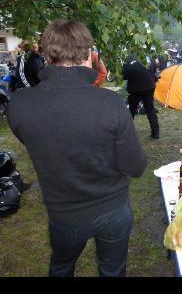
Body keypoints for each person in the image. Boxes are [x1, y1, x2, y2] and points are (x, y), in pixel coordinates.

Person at [7, 19, 147, 277]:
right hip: (112, 210)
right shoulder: (110, 103)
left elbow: (37, 139)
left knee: (61, 267)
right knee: (112, 270)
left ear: (46, 54)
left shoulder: (19, 104)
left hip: (63, 214)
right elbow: (135, 166)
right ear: (89, 53)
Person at [123, 54, 160, 139]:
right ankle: (155, 133)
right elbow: (154, 70)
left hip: (135, 89)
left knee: (131, 110)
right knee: (150, 109)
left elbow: (125, 76)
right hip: (148, 86)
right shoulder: (148, 57)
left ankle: (126, 132)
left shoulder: (128, 60)